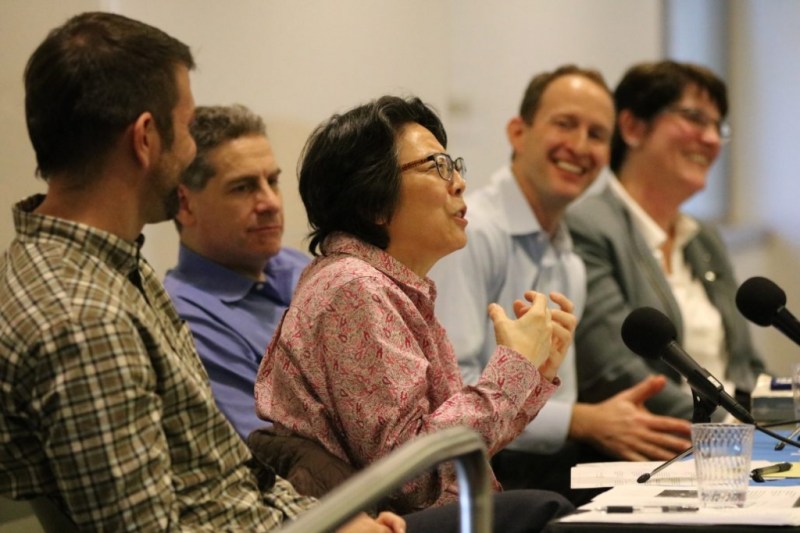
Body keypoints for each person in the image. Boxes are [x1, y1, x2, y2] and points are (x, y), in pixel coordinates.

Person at [0, 11, 406, 531]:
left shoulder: (111, 267)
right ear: (146, 138)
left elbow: (227, 476)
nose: (190, 148)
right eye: (188, 128)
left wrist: (330, 521)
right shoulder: (84, 319)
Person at [255, 95, 577, 528]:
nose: (459, 183)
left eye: (454, 165)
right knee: (545, 510)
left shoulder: (386, 285)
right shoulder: (353, 287)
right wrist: (512, 370)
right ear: (374, 203)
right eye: (436, 167)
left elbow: (446, 462)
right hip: (370, 521)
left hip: (398, 511)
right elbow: (415, 474)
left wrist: (531, 374)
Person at [429, 65, 693, 500]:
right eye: (565, 124)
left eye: (596, 135)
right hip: (472, 479)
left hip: (543, 463)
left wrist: (587, 422)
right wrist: (583, 420)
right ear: (518, 132)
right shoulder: (472, 232)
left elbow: (555, 394)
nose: (579, 147)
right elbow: (451, 391)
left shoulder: (569, 256)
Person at [565, 60, 766, 423]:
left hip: (735, 448)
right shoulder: (588, 226)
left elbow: (746, 363)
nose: (710, 139)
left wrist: (777, 417)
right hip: (657, 451)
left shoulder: (703, 237)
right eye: (694, 118)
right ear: (632, 127)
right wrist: (736, 425)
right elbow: (618, 372)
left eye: (717, 126)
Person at [164, 104, 309, 440]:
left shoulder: (299, 267)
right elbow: (278, 454)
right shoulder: (186, 318)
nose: (270, 202)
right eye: (243, 187)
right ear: (185, 205)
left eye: (272, 181)